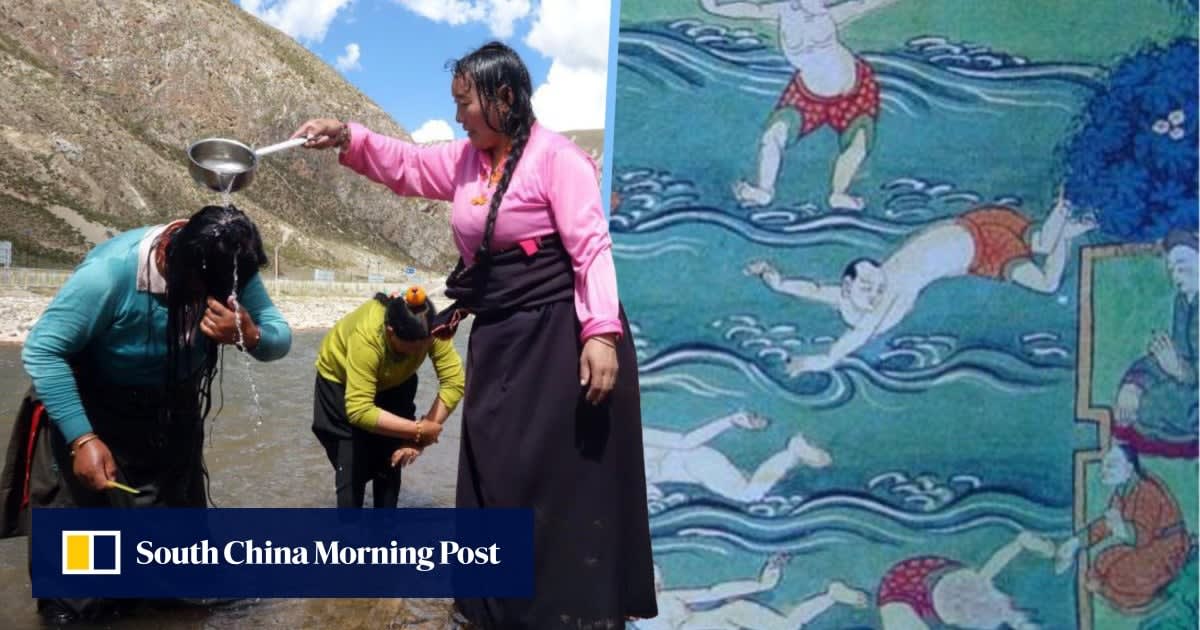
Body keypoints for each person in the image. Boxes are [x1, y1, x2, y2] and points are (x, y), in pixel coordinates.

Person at [291, 41, 657, 627]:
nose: (458, 114)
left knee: (561, 477)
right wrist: (348, 137)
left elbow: (591, 249)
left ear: (503, 97)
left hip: (562, 338)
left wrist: (602, 335)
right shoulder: (466, 162)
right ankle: (494, 609)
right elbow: (407, 166)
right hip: (503, 338)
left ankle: (568, 610)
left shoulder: (559, 159)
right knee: (495, 466)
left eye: (465, 103)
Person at [0, 205, 291, 624]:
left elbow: (278, 338)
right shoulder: (110, 275)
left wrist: (250, 333)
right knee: (79, 567)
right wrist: (82, 438)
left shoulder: (228, 265)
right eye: (195, 292)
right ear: (168, 261)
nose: (205, 302)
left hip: (170, 412)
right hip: (89, 406)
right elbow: (43, 350)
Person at [745, 193, 1096, 373]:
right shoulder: (849, 296)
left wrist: (817, 361)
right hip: (976, 233)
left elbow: (857, 336)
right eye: (868, 287)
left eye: (877, 284)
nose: (876, 291)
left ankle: (1069, 205)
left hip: (982, 244)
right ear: (847, 287)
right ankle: (1069, 224)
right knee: (1046, 268)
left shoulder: (886, 298)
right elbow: (814, 290)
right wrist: (775, 281)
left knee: (1045, 260)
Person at [699, 0, 900, 211]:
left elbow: (866, 3)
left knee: (857, 144)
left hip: (854, 90)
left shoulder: (828, 11)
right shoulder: (780, 11)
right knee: (773, 136)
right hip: (807, 94)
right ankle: (763, 191)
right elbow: (721, 8)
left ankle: (839, 193)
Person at [311, 286, 463, 508]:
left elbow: (454, 382)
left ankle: (386, 531)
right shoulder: (367, 337)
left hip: (396, 382)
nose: (416, 355)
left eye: (424, 348)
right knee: (352, 464)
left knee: (392, 456)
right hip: (341, 382)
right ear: (391, 331)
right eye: (409, 351)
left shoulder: (432, 330)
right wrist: (419, 430)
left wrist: (418, 435)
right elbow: (359, 410)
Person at [1054, 443, 1193, 613]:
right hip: (1143, 546)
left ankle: (1156, 590)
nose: (1104, 471)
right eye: (1104, 466)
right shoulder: (1121, 492)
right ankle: (1120, 588)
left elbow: (1141, 537)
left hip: (1167, 548)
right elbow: (1105, 525)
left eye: (1111, 465)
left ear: (1128, 468)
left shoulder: (1147, 491)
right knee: (1101, 561)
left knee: (1120, 576)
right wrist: (1075, 543)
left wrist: (1119, 525)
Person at [1113, 229, 1198, 457]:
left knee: (1153, 407)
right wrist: (1134, 384)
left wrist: (1181, 371)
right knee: (1136, 405)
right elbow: (1173, 355)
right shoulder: (1185, 302)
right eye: (1172, 270)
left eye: (1182, 266)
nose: (1176, 276)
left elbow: (1185, 369)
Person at [636, 553, 868, 629]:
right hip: (724, 621)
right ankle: (831, 596)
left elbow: (713, 592)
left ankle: (832, 595)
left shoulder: (668, 598)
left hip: (727, 617)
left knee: (787, 627)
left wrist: (763, 582)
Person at [878, 531, 1055, 629]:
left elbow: (986, 577)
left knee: (982, 592)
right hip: (915, 584)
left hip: (913, 585)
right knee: (982, 590)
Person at [644, 410, 831, 503]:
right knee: (749, 484)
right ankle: (791, 456)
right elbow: (655, 493)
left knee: (748, 495)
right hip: (697, 473)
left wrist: (730, 421)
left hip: (699, 462)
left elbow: (686, 442)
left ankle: (792, 453)